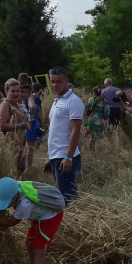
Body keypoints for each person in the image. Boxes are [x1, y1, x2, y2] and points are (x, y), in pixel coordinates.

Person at [46, 66, 83, 205]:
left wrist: (68, 157)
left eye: (58, 82)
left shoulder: (73, 101)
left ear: (67, 81)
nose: (54, 85)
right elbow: (55, 131)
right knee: (60, 196)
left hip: (65, 156)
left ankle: (73, 223)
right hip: (56, 155)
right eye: (52, 81)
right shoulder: (57, 100)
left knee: (67, 199)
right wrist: (50, 157)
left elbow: (75, 131)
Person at [0, 79, 30, 170]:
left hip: (21, 145)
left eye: (17, 91)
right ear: (6, 91)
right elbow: (2, 126)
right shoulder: (5, 105)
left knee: (20, 172)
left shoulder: (18, 106)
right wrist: (21, 125)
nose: (16, 94)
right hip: (10, 146)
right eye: (13, 91)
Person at [21, 80, 42, 171]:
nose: (24, 93)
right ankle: (28, 166)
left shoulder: (22, 100)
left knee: (28, 147)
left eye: (26, 92)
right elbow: (33, 107)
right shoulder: (29, 99)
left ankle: (28, 166)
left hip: (31, 124)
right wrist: (31, 118)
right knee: (29, 148)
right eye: (22, 91)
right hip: (30, 124)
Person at [83, 86, 108, 151]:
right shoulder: (103, 101)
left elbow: (87, 109)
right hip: (99, 119)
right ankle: (93, 149)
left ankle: (90, 149)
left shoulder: (90, 99)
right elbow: (106, 111)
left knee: (92, 135)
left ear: (93, 92)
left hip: (91, 118)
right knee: (96, 136)